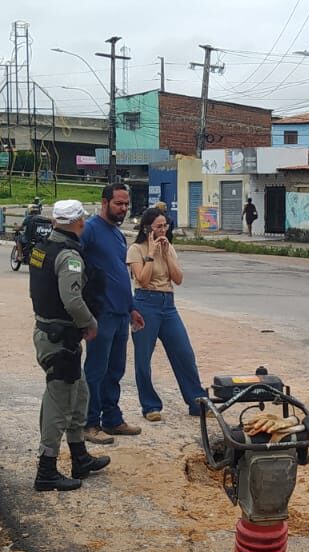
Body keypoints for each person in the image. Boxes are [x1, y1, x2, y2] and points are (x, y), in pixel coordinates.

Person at [28, 199, 111, 491]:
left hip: (53, 334)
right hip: (59, 339)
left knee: (79, 395)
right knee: (59, 404)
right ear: (79, 223)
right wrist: (90, 323)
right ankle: (46, 470)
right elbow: (73, 299)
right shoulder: (68, 256)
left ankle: (79, 457)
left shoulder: (43, 248)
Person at [126, 207, 207, 421]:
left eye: (165, 226)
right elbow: (142, 280)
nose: (163, 230)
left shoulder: (168, 247)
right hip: (145, 303)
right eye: (158, 227)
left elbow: (178, 279)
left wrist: (165, 254)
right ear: (147, 228)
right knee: (143, 358)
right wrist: (151, 255)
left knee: (184, 353)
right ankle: (150, 406)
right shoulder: (136, 249)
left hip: (168, 304)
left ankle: (197, 401)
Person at [80, 183, 146, 445]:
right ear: (105, 202)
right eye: (119, 203)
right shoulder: (90, 230)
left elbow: (120, 274)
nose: (124, 208)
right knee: (96, 370)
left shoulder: (118, 235)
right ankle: (89, 423)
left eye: (126, 204)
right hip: (101, 314)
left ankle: (112, 419)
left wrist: (131, 308)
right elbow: (74, 262)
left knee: (115, 370)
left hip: (120, 314)